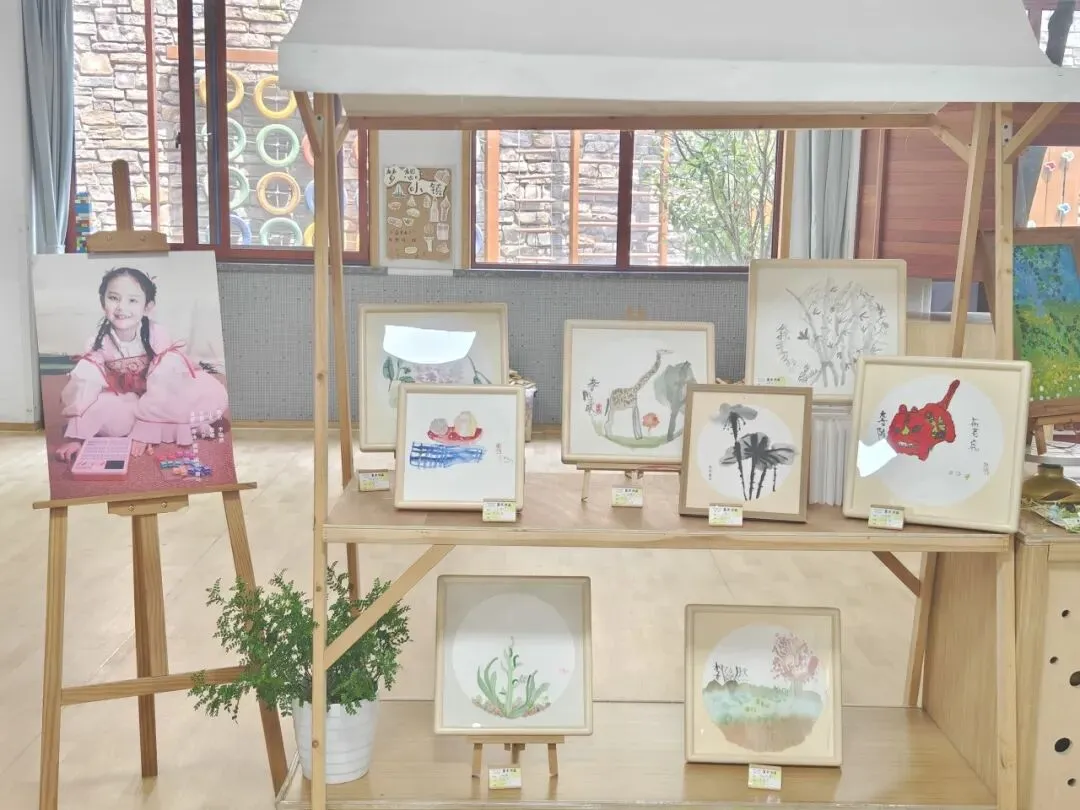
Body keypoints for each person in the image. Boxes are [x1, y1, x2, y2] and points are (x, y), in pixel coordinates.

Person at [53, 266, 229, 462]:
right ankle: (177, 424)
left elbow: (166, 382)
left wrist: (147, 429)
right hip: (126, 398)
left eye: (132, 300)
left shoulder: (157, 333)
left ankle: (171, 424)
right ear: (102, 302)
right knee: (102, 409)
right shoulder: (97, 342)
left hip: (163, 396)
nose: (121, 307)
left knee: (209, 394)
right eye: (113, 298)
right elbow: (86, 385)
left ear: (147, 307)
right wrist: (75, 437)